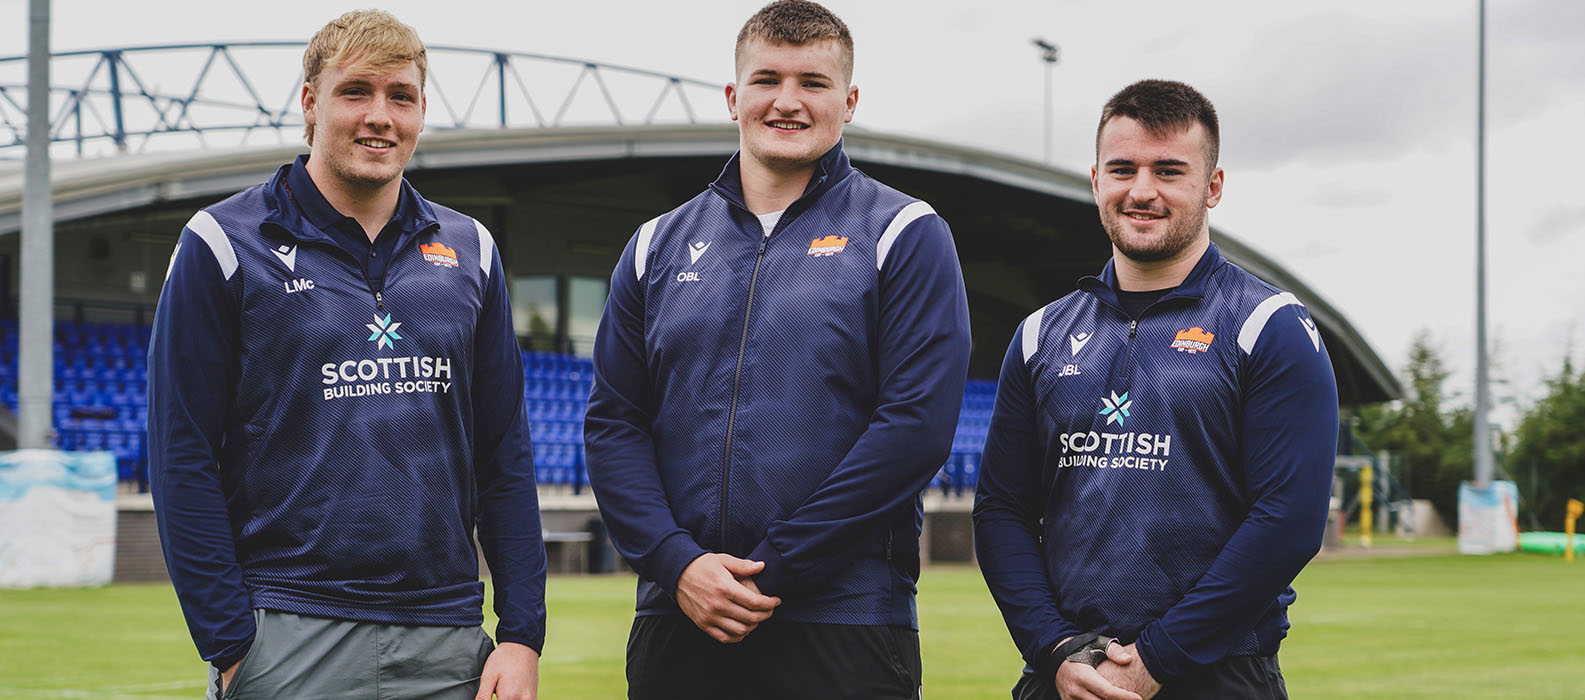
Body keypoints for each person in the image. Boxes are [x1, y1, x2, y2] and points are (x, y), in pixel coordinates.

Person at [148, 10, 544, 700]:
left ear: (421, 110)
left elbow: (503, 454)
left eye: (401, 96)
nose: (379, 117)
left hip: (448, 635)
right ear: (311, 102)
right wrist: (234, 645)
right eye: (355, 91)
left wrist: (520, 634)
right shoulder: (221, 242)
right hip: (290, 629)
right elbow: (180, 454)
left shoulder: (472, 250)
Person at [584, 1, 970, 697]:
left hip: (845, 622)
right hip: (679, 618)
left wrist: (775, 568)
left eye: (813, 83)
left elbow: (915, 426)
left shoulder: (905, 233)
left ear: (848, 102)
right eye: (767, 80)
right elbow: (614, 426)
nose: (787, 102)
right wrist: (678, 566)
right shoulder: (654, 246)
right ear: (734, 97)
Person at [973, 79, 1338, 700]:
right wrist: (1057, 649)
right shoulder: (1040, 334)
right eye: (1123, 169)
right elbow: (1002, 510)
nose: (1142, 191)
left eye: (1169, 171)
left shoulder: (1268, 326)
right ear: (1095, 180)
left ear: (1212, 186)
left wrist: (1157, 659)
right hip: (1065, 675)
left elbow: (1288, 522)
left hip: (1215, 675)